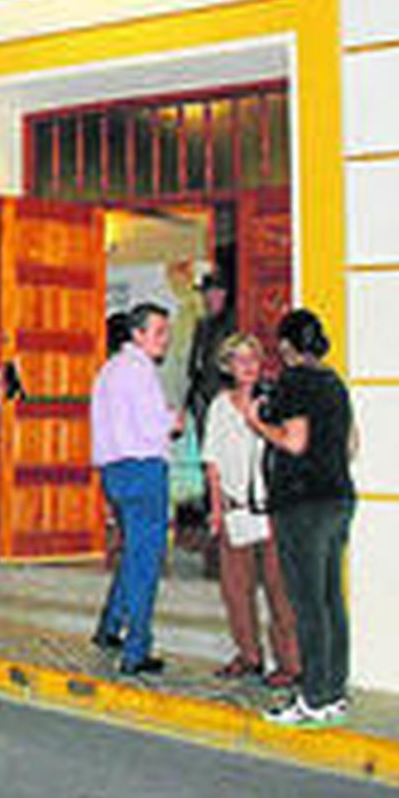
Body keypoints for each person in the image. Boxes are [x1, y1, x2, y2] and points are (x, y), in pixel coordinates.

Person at [247, 309, 356, 728]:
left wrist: (258, 423)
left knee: (307, 602)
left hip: (302, 504)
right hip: (337, 497)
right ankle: (333, 692)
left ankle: (312, 698)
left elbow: (294, 442)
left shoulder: (296, 382)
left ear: (287, 347)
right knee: (331, 599)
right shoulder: (333, 382)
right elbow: (351, 444)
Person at [201, 334, 299, 688]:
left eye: (253, 358)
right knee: (236, 591)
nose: (247, 366)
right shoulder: (218, 407)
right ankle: (249, 655)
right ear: (227, 366)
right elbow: (211, 463)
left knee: (280, 592)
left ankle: (290, 663)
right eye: (239, 359)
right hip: (235, 510)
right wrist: (215, 510)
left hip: (271, 510)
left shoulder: (275, 401)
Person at [90, 302, 180, 676]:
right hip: (144, 469)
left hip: (114, 471)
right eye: (158, 332)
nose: (165, 339)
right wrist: (173, 421)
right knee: (145, 562)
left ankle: (109, 626)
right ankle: (136, 649)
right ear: (137, 335)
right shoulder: (140, 372)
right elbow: (152, 426)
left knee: (134, 553)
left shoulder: (109, 370)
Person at [185, 272, 235, 440]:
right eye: (205, 293)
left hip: (224, 399)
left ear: (224, 293)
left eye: (213, 292)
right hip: (203, 399)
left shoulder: (234, 323)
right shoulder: (202, 325)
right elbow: (193, 365)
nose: (208, 297)